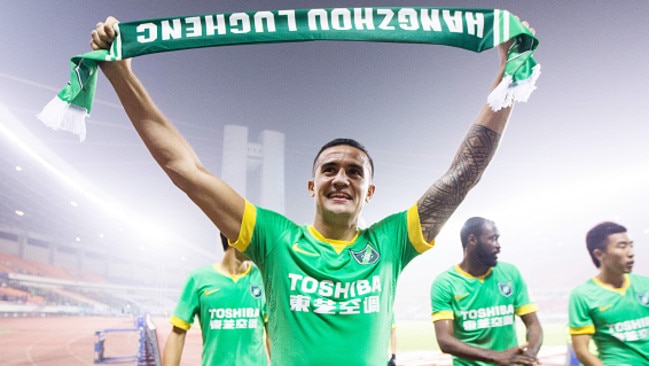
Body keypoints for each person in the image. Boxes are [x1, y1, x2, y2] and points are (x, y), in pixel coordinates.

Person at [90, 16, 534, 365]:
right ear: (312, 184)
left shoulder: (391, 242)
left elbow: (463, 173)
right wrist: (121, 77)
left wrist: (507, 75)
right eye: (330, 170)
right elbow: (183, 168)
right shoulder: (274, 239)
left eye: (355, 173)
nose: (341, 178)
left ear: (370, 192)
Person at [430, 217, 543, 366]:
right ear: (472, 240)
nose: (498, 246)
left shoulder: (510, 273)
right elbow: (445, 341)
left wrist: (530, 355)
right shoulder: (445, 283)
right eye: (492, 239)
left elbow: (533, 324)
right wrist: (496, 357)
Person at [162, 234, 269, 366]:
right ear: (233, 237)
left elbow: (273, 334)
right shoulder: (198, 279)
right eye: (253, 237)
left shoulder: (264, 278)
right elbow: (177, 334)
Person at [568, 222, 649, 365]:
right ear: (599, 254)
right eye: (622, 246)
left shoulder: (645, 284)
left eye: (631, 245)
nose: (631, 253)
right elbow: (581, 350)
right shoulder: (583, 295)